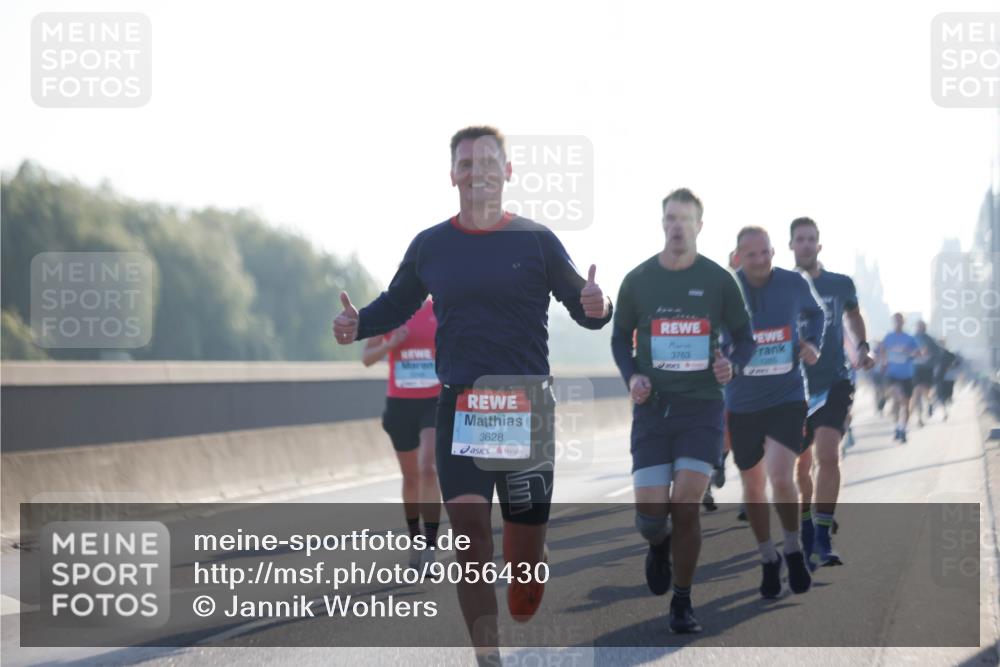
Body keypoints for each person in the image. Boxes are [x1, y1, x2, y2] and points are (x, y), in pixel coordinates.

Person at [333, 126, 612, 664]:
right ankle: (488, 658)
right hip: (461, 406)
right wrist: (358, 323)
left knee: (526, 585)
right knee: (469, 542)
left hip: (526, 409)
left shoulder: (535, 239)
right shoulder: (431, 245)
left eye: (489, 161)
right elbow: (396, 304)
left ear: (507, 172)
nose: (477, 170)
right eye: (466, 162)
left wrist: (599, 305)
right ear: (452, 174)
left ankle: (531, 557)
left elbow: (583, 304)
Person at [612, 188, 755, 633]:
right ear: (662, 224)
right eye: (671, 219)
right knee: (650, 519)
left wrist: (734, 364)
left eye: (686, 220)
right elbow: (619, 339)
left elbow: (745, 338)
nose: (678, 227)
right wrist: (632, 376)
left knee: (687, 504)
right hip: (653, 410)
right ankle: (659, 543)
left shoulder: (718, 281)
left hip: (702, 407)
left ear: (699, 226)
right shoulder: (638, 280)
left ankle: (683, 601)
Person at [725, 226, 824, 598]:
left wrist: (812, 343)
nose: (762, 260)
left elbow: (816, 315)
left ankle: (793, 548)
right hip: (743, 401)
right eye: (752, 255)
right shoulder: (726, 287)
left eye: (766, 252)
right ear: (738, 257)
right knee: (753, 486)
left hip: (786, 395)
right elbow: (712, 330)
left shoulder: (793, 283)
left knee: (782, 477)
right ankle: (768, 557)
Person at [789, 217, 875, 569]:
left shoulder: (840, 284)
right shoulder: (782, 286)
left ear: (819, 245)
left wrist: (863, 347)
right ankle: (808, 524)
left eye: (811, 239)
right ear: (791, 246)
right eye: (800, 240)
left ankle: (823, 537)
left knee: (828, 454)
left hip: (835, 381)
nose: (806, 245)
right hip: (794, 386)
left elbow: (853, 316)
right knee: (803, 463)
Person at [362, 298, 442, 569]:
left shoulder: (441, 308)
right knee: (411, 478)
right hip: (401, 405)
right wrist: (389, 344)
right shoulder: (389, 311)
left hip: (434, 401)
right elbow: (367, 358)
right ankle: (416, 541)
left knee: (428, 468)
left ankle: (431, 547)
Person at [878, 313, 920, 443]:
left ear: (903, 322)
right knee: (897, 399)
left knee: (906, 404)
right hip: (893, 374)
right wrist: (884, 362)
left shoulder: (909, 338)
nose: (898, 323)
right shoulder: (888, 337)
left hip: (907, 374)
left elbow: (918, 353)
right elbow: (881, 350)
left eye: (900, 321)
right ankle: (897, 426)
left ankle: (903, 429)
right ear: (893, 322)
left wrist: (909, 352)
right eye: (896, 321)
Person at [911, 321, 941, 425]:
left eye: (922, 326)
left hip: (927, 368)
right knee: (917, 391)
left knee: (926, 391)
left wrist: (930, 357)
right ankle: (919, 417)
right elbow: (907, 352)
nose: (920, 328)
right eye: (918, 326)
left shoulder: (930, 339)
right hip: (916, 368)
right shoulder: (912, 338)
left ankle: (930, 402)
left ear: (925, 327)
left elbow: (938, 353)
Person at [935, 343, 961, 420]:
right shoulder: (935, 354)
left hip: (948, 377)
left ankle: (945, 408)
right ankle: (944, 412)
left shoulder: (950, 354)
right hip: (939, 377)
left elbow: (958, 362)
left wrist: (952, 366)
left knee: (948, 395)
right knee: (941, 396)